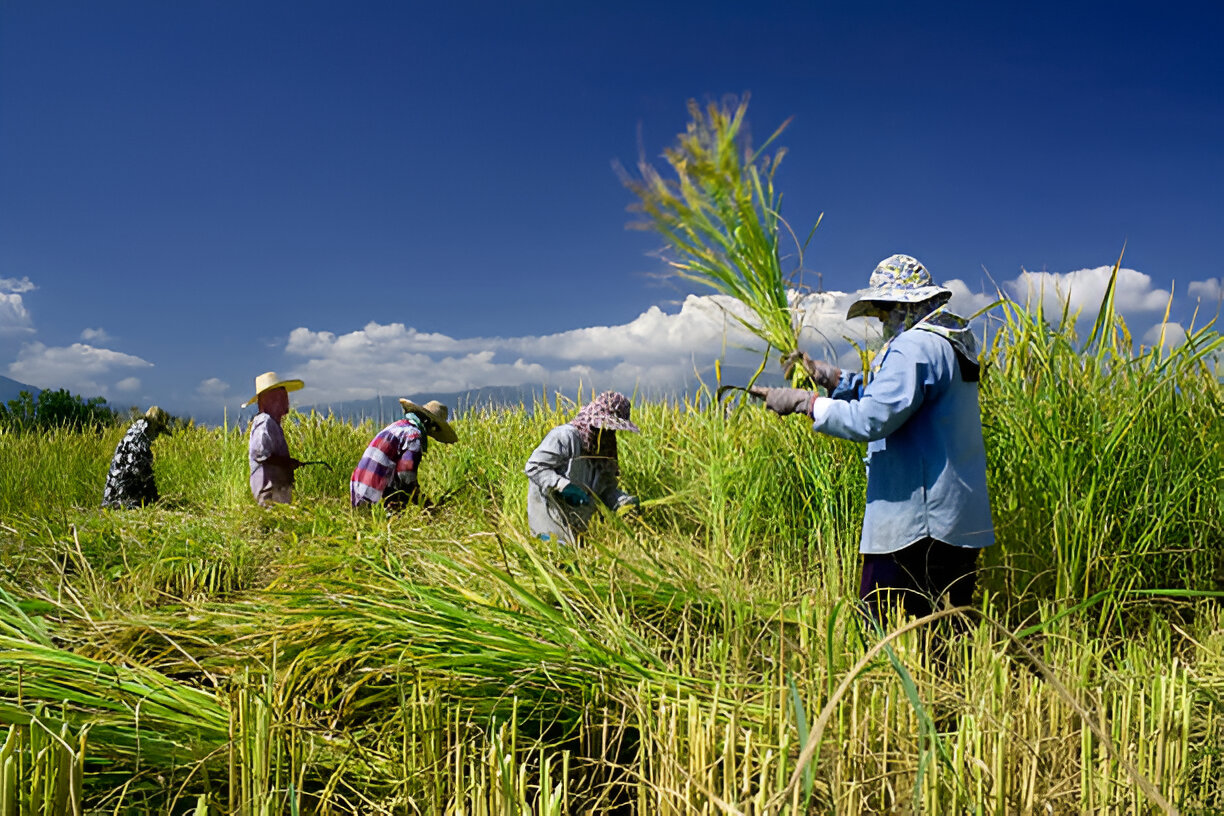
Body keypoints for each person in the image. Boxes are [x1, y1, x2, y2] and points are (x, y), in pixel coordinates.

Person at [756, 254, 994, 624]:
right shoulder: (948, 342)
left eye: (885, 309)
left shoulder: (913, 346)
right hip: (957, 516)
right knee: (948, 631)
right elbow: (896, 397)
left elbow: (872, 417)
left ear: (906, 303)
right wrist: (830, 376)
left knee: (882, 622)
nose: (883, 319)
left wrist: (808, 403)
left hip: (917, 522)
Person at [525, 391, 641, 546]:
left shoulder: (603, 450)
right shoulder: (565, 437)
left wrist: (623, 502)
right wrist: (562, 485)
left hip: (578, 528)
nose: (606, 431)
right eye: (603, 425)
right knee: (553, 559)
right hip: (549, 522)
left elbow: (605, 490)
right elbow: (534, 466)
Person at [351, 399, 457, 510]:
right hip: (374, 495)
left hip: (358, 489)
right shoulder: (414, 434)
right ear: (428, 422)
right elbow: (406, 474)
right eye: (434, 427)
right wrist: (422, 502)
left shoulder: (396, 427)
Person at [245, 371, 304, 507]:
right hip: (269, 491)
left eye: (285, 396)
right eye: (280, 397)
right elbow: (260, 453)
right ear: (268, 400)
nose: (286, 401)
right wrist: (287, 463)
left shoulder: (272, 423)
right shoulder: (265, 421)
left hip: (275, 490)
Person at [102, 405, 173, 509]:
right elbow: (139, 471)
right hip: (122, 493)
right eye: (158, 429)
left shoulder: (136, 431)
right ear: (154, 425)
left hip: (112, 491)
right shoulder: (139, 440)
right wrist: (154, 496)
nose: (158, 435)